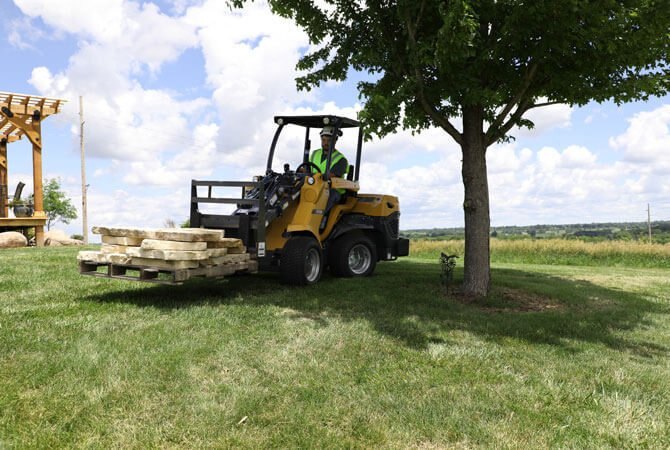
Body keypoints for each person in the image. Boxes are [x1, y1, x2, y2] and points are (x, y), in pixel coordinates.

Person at [309, 126, 349, 229]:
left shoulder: (341, 159)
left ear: (335, 140)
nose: (325, 142)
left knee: (324, 197)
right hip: (314, 187)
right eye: (323, 140)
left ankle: (317, 224)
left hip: (333, 190)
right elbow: (307, 168)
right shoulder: (315, 154)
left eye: (328, 140)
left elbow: (332, 175)